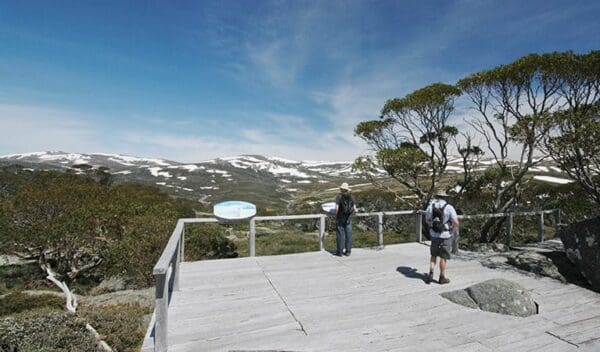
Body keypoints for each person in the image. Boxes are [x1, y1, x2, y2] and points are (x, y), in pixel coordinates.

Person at [425, 190, 459, 284]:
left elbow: (427, 221)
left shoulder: (430, 207)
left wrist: (434, 226)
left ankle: (431, 273)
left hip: (434, 234)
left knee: (433, 255)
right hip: (446, 235)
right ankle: (442, 277)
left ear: (437, 197)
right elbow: (456, 222)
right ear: (445, 197)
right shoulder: (449, 207)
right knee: (443, 257)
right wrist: (452, 230)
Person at [335, 182, 356, 256]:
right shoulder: (352, 197)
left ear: (341, 189)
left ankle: (340, 252)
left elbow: (336, 208)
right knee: (348, 234)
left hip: (340, 217)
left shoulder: (339, 196)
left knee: (340, 234)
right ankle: (348, 251)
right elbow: (354, 208)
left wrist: (336, 215)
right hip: (349, 218)